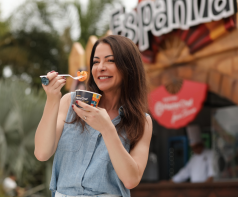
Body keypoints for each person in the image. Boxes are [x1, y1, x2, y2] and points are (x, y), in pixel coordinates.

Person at [34, 35, 152, 197]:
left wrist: (107, 129)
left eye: (110, 60)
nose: (100, 67)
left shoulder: (142, 121)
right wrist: (52, 99)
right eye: (96, 62)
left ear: (129, 67)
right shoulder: (70, 102)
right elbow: (42, 153)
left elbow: (131, 180)